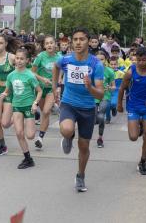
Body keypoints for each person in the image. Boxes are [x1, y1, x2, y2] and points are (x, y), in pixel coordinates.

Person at [52, 27, 104, 192]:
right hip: (69, 104)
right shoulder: (66, 59)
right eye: (75, 39)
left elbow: (101, 94)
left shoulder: (96, 64)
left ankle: (80, 176)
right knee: (66, 130)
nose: (78, 42)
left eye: (82, 39)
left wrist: (90, 88)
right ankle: (68, 137)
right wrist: (55, 87)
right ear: (71, 42)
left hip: (88, 109)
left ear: (89, 41)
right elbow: (55, 66)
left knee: (84, 147)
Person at [1, 48, 42, 169]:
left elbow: (39, 91)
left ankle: (34, 117)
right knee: (19, 133)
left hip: (29, 106)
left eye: (22, 59)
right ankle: (28, 158)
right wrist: (4, 94)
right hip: (17, 106)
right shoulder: (11, 75)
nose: (19, 61)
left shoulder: (30, 75)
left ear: (27, 60)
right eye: (17, 58)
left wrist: (35, 103)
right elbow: (8, 90)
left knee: (30, 136)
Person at [118, 47, 146, 175]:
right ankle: (140, 127)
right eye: (139, 60)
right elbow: (122, 88)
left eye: (144, 60)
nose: (141, 63)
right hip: (133, 106)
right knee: (133, 137)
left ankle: (142, 161)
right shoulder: (130, 72)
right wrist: (119, 105)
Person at [32, 35, 59, 150]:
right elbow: (32, 72)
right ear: (44, 46)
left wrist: (58, 84)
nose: (49, 45)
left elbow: (62, 72)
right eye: (47, 43)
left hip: (51, 89)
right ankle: (41, 136)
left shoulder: (59, 58)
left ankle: (40, 138)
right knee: (44, 112)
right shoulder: (40, 57)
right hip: (40, 89)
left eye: (51, 43)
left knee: (47, 112)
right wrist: (42, 79)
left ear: (55, 44)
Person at [94, 50, 115, 148]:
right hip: (92, 98)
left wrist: (110, 88)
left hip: (104, 97)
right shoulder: (91, 71)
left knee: (101, 117)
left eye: (101, 59)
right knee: (95, 119)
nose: (99, 62)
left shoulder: (110, 71)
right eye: (97, 60)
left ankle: (100, 138)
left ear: (105, 60)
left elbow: (113, 86)